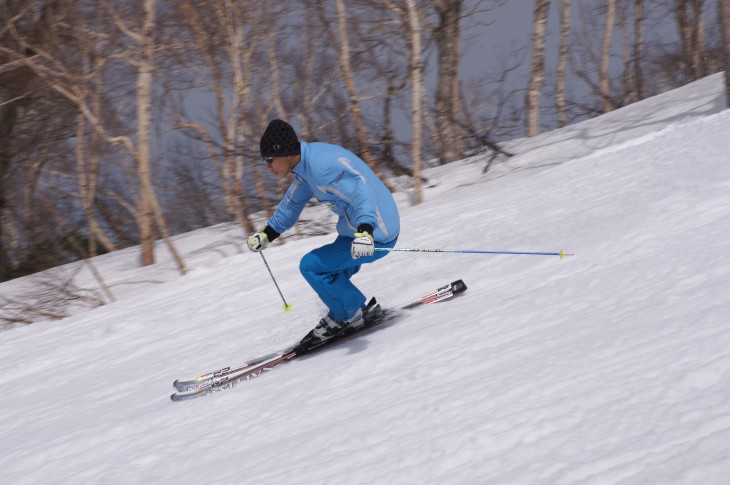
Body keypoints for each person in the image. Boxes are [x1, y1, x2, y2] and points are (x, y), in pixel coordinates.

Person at [247, 119, 400, 349]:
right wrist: (267, 234)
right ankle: (349, 310)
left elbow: (361, 190)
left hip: (377, 232)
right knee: (328, 273)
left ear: (285, 153)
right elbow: (290, 206)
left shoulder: (319, 167)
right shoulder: (306, 169)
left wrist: (366, 231)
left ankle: (348, 316)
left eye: (269, 160)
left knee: (311, 266)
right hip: (358, 232)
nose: (268, 167)